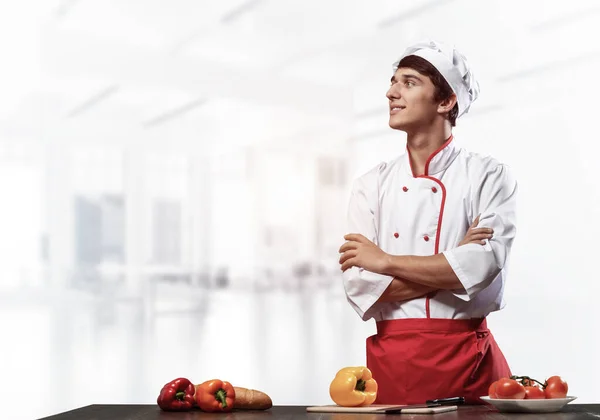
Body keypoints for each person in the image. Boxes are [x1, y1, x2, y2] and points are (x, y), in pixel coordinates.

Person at [338, 40, 517, 405]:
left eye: (408, 82)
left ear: (446, 101)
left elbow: (483, 268)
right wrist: (453, 265)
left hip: (471, 364)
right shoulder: (370, 185)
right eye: (393, 82)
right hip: (391, 363)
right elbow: (359, 286)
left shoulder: (489, 176)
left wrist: (385, 262)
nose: (391, 93)